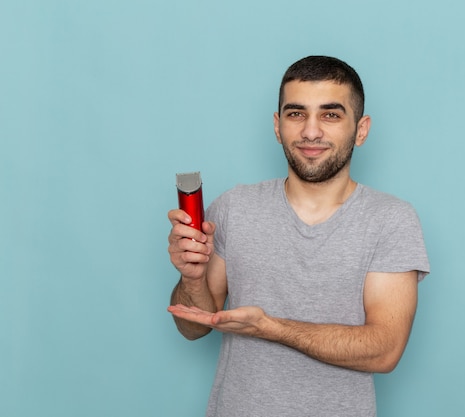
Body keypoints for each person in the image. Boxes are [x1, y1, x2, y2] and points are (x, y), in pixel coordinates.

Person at [167, 55, 430, 417]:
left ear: (362, 129)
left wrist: (270, 327)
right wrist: (191, 278)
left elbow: (384, 350)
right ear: (277, 126)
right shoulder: (233, 207)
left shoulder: (390, 220)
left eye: (330, 114)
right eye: (296, 114)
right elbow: (192, 327)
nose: (310, 131)